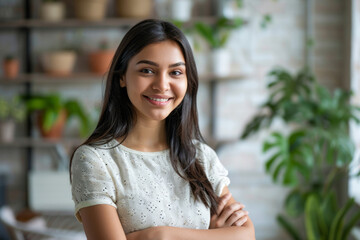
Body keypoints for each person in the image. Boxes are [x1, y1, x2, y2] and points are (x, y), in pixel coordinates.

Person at [70, 19, 255, 240]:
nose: (162, 85)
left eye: (175, 72)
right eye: (147, 70)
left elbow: (245, 235)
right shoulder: (94, 160)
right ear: (122, 77)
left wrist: (159, 235)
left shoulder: (201, 157)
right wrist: (211, 235)